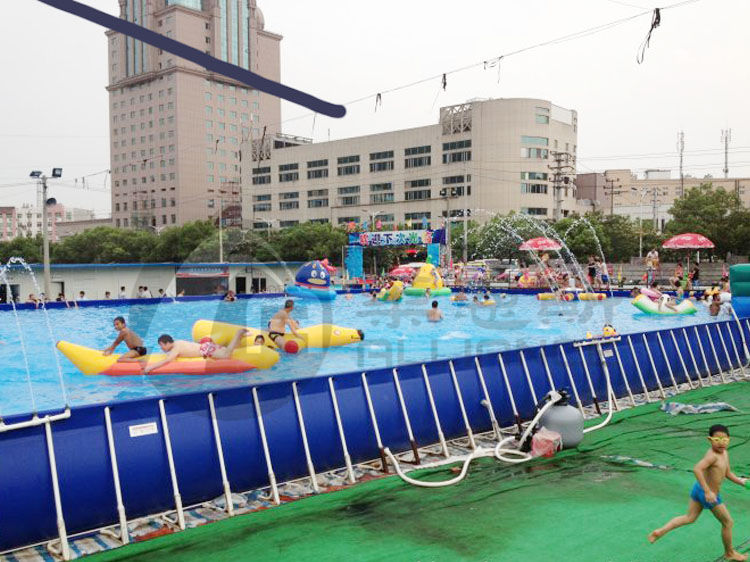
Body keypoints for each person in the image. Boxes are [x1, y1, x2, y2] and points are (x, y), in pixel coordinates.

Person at [648, 425, 747, 561]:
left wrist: (742, 482)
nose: (721, 443)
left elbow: (728, 473)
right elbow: (697, 469)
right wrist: (708, 492)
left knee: (689, 518)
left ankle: (660, 531)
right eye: (717, 440)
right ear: (710, 439)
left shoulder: (724, 453)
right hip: (708, 494)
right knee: (728, 523)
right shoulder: (712, 456)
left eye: (724, 440)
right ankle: (729, 553)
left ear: (729, 440)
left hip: (698, 489)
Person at [144, 329, 251, 374]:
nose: (161, 348)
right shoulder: (178, 342)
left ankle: (239, 333)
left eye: (162, 345)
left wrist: (150, 368)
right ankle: (240, 337)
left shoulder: (176, 348)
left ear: (167, 343)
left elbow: (167, 360)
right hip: (206, 346)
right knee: (229, 351)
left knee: (226, 355)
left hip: (205, 349)